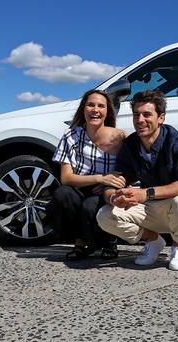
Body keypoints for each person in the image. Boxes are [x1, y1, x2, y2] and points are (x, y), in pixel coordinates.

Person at [97, 89, 178, 271]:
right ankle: (153, 241)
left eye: (147, 114)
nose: (140, 120)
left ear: (161, 117)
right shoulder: (131, 145)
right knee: (104, 216)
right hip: (149, 209)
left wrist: (146, 193)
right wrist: (114, 198)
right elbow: (113, 181)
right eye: (136, 115)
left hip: (173, 206)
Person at [47, 89, 126, 260]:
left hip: (105, 191)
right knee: (62, 195)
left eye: (101, 106)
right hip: (80, 186)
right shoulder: (72, 136)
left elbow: (129, 170)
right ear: (83, 109)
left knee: (90, 206)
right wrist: (99, 177)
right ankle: (80, 242)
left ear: (107, 111)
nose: (95, 110)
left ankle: (109, 240)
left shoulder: (120, 137)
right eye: (90, 105)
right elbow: (66, 178)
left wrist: (106, 183)